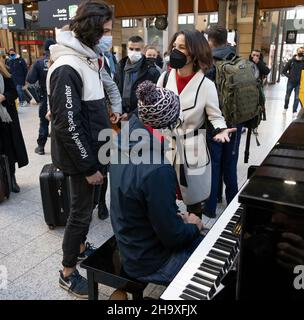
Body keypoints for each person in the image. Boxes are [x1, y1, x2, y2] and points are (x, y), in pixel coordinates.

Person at [47, 0, 113, 299]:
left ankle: (83, 247)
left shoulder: (85, 57)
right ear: (92, 29)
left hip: (93, 152)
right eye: (106, 31)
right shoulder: (67, 66)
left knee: (83, 212)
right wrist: (89, 167)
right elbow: (68, 125)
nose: (109, 37)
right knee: (79, 215)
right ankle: (68, 272)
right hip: (81, 159)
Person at [110, 80, 204, 284]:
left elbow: (138, 201)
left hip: (129, 243)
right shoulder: (158, 169)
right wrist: (193, 226)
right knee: (208, 255)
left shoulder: (121, 143)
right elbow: (172, 236)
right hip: (149, 261)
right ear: (168, 125)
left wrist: (174, 217)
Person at [157, 30, 235, 217]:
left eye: (182, 47)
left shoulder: (206, 85)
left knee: (194, 202)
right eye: (175, 46)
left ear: (195, 53)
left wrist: (221, 129)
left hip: (193, 148)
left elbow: (215, 116)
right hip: (167, 146)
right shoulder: (165, 77)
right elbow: (155, 107)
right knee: (165, 198)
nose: (176, 50)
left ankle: (195, 236)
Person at [202, 25, 243, 219]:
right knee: (230, 165)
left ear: (209, 40)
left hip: (215, 125)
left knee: (214, 166)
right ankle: (233, 207)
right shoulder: (237, 59)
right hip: (236, 122)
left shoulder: (208, 63)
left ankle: (210, 209)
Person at [95, 29, 122, 220]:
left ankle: (103, 203)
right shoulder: (66, 63)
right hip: (82, 124)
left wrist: (117, 109)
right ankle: (93, 202)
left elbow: (111, 86)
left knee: (104, 164)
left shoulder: (98, 60)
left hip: (103, 119)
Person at [0, 59, 28, 193]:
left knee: (8, 150)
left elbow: (14, 92)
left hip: (6, 119)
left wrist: (4, 97)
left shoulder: (5, 73)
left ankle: (11, 178)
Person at [115, 36, 161, 117]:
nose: (133, 52)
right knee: (125, 130)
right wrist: (118, 110)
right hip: (122, 115)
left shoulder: (151, 71)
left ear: (143, 50)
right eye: (131, 49)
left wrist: (132, 115)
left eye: (137, 49)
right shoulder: (120, 67)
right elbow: (115, 90)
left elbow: (153, 99)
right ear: (127, 49)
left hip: (142, 117)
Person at [25, 39, 56, 155]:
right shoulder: (60, 60)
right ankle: (58, 151)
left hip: (44, 96)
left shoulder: (39, 62)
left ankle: (41, 147)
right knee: (58, 124)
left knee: (43, 123)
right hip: (59, 97)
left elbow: (30, 79)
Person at [282, 47, 304, 117]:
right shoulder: (291, 61)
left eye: (302, 51)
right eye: (300, 51)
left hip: (299, 83)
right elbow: (284, 71)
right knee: (287, 96)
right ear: (297, 52)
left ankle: (294, 111)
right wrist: (290, 76)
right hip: (291, 82)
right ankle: (285, 107)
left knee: (297, 98)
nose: (301, 52)